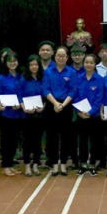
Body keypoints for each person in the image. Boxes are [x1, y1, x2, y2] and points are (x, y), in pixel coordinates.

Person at [43, 46, 78, 176]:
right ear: (55, 56)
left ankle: (63, 162)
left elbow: (73, 90)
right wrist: (55, 103)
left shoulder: (71, 72)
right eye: (59, 55)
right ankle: (54, 163)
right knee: (51, 136)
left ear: (67, 58)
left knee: (65, 135)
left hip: (66, 105)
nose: (61, 58)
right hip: (51, 105)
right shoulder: (48, 72)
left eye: (63, 56)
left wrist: (63, 105)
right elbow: (45, 89)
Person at [74, 54, 104, 176]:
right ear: (83, 63)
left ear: (95, 64)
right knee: (82, 141)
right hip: (81, 116)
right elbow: (75, 96)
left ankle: (92, 164)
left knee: (94, 141)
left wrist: (90, 112)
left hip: (94, 116)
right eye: (86, 62)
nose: (89, 65)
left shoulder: (99, 79)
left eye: (91, 63)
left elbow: (99, 98)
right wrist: (79, 112)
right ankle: (83, 164)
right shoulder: (78, 79)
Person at [0, 51, 24, 177]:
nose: (12, 63)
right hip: (6, 113)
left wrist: (20, 104)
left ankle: (11, 164)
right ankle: (5, 165)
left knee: (14, 140)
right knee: (6, 140)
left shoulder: (21, 76)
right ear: (5, 63)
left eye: (14, 61)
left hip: (18, 113)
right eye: (10, 61)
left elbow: (23, 93)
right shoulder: (1, 78)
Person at [20, 54, 46, 177]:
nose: (34, 67)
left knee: (37, 141)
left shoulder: (43, 78)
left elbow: (46, 94)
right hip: (27, 115)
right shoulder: (23, 79)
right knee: (27, 141)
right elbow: (19, 95)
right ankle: (27, 165)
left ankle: (35, 164)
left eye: (36, 64)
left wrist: (44, 106)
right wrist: (24, 108)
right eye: (31, 65)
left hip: (40, 115)